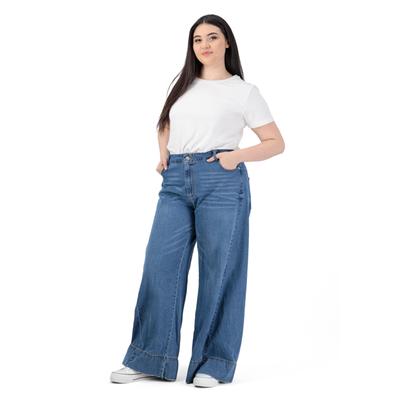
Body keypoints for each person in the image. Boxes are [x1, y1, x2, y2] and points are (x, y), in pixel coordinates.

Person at [110, 14, 285, 388]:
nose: (204, 45)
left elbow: (275, 142)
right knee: (160, 266)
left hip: (221, 180)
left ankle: (213, 363)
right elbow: (165, 123)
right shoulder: (183, 84)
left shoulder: (243, 91)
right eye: (197, 39)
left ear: (227, 42)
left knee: (220, 271)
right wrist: (163, 154)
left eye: (212, 37)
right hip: (175, 181)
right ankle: (150, 357)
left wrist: (234, 157)